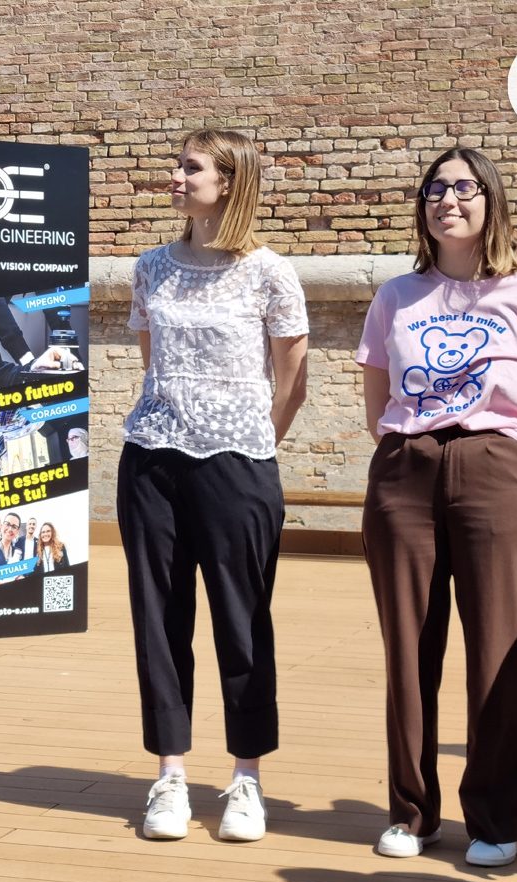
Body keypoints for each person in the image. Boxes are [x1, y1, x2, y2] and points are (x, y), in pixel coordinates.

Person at [356, 147, 517, 868]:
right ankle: (412, 814)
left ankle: (494, 818)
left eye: (464, 187)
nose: (447, 199)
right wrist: (409, 456)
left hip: (495, 468)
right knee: (408, 650)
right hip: (406, 471)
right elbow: (377, 400)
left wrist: (513, 473)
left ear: (491, 201)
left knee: (497, 649)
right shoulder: (395, 296)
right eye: (434, 188)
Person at [117, 128, 308, 842]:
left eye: (190, 167)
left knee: (242, 618)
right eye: (178, 164)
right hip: (152, 459)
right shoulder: (151, 268)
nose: (175, 175)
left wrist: (251, 441)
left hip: (238, 464)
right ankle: (170, 776)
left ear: (228, 181)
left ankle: (246, 780)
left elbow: (292, 380)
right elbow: (152, 361)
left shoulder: (270, 273)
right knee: (159, 620)